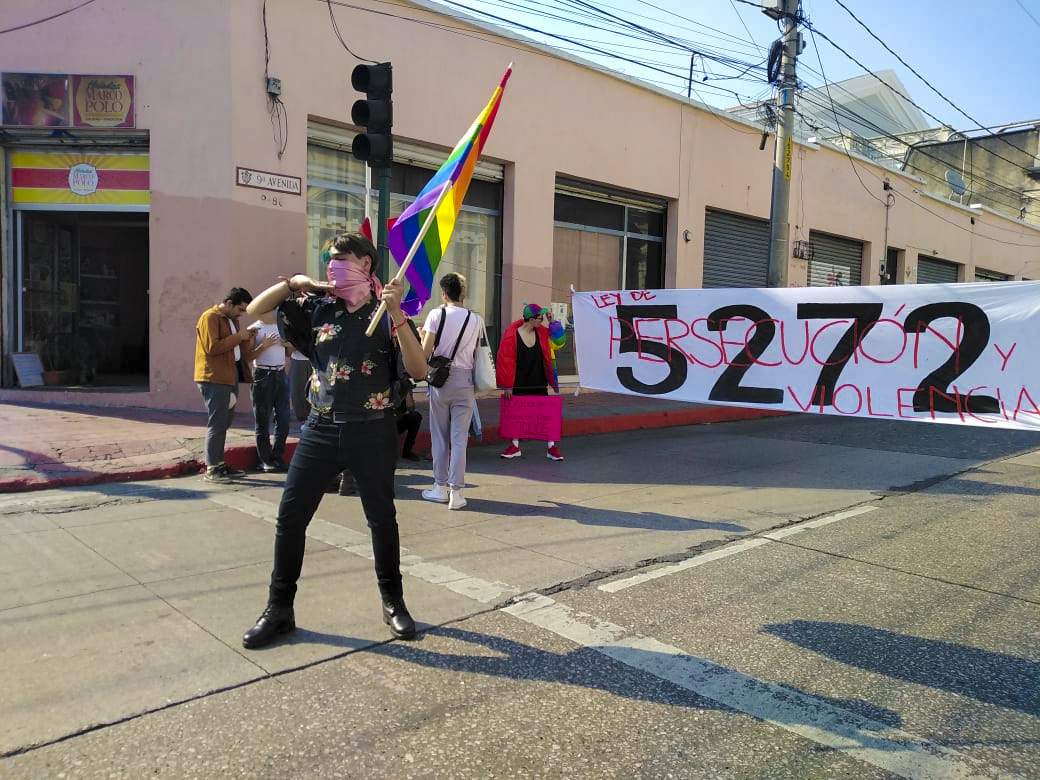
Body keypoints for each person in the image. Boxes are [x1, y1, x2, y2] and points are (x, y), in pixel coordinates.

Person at [241, 229, 427, 649]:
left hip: (373, 428)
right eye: (330, 258)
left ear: (366, 264)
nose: (334, 264)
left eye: (342, 257)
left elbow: (417, 369)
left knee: (381, 519)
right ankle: (279, 608)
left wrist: (397, 313)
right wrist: (293, 284)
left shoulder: (387, 311)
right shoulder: (318, 308)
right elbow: (255, 308)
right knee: (291, 518)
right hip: (321, 428)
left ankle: (393, 601)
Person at [194, 287, 275, 482]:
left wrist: (248, 337)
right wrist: (240, 337)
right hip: (214, 378)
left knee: (224, 423)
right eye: (240, 309)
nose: (241, 314)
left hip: (229, 377)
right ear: (229, 303)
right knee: (217, 423)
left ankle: (219, 464)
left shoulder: (232, 320)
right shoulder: (210, 317)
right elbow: (212, 347)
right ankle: (212, 468)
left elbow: (239, 352)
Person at [420, 273, 482, 510]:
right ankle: (456, 494)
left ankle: (439, 487)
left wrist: (421, 335)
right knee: (459, 440)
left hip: (439, 381)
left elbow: (425, 353)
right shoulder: (475, 319)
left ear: (444, 293)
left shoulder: (437, 314)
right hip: (464, 381)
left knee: (439, 436)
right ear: (463, 294)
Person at [495, 302, 565, 461]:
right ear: (531, 319)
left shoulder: (543, 333)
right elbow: (505, 360)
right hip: (519, 381)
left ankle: (551, 447)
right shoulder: (511, 334)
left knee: (546, 414)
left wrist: (553, 323)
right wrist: (507, 385)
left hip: (539, 381)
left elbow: (560, 342)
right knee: (516, 414)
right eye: (540, 318)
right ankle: (515, 446)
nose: (542, 320)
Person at [248, 308, 291, 472]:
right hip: (262, 374)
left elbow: (289, 352)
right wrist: (263, 346)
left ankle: (277, 456)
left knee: (283, 418)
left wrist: (289, 345)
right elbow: (249, 356)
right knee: (262, 418)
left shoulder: (282, 326)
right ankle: (264, 459)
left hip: (280, 373)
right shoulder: (255, 328)